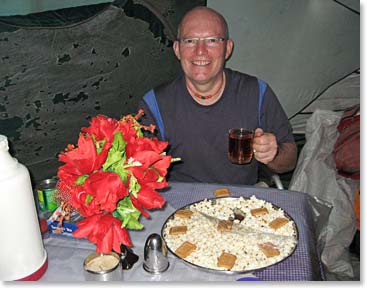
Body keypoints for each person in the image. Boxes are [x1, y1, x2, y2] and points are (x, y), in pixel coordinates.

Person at [138, 6, 297, 185]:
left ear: (228, 49)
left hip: (241, 203)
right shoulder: (154, 104)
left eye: (212, 40)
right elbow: (141, 172)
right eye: (190, 41)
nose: (200, 51)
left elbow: (289, 160)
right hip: (179, 205)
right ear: (177, 49)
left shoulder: (256, 92)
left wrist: (273, 154)